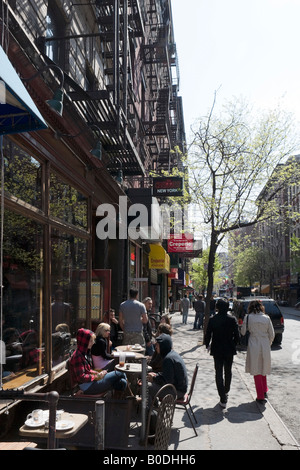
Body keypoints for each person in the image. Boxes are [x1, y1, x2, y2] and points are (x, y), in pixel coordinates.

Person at [69, 328, 127, 395]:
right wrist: (98, 376)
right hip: (88, 387)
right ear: (84, 341)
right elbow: (81, 377)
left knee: (122, 382)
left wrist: (99, 373)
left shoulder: (84, 353)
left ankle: (119, 402)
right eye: (91, 341)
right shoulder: (77, 356)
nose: (93, 343)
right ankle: (130, 399)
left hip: (92, 382)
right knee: (120, 373)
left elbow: (88, 371)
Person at [205, 298, 240, 408]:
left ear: (217, 307)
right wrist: (233, 344)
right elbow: (237, 336)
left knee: (218, 372)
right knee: (228, 371)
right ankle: (226, 390)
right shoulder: (232, 319)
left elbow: (208, 334)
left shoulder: (213, 319)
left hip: (217, 349)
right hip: (229, 349)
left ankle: (222, 396)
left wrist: (207, 345)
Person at [241, 299, 275, 404]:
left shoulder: (248, 317)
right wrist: (268, 343)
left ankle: (260, 396)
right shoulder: (267, 318)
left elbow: (242, 332)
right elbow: (272, 334)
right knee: (263, 367)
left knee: (256, 369)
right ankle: (264, 390)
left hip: (254, 344)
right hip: (264, 343)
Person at [147, 333, 188, 403]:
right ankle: (154, 407)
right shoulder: (171, 354)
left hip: (177, 391)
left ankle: (150, 411)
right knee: (151, 384)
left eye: (157, 345)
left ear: (163, 346)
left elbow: (167, 381)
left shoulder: (168, 359)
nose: (156, 347)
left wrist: (154, 378)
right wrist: (156, 375)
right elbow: (168, 375)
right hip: (179, 388)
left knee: (147, 387)